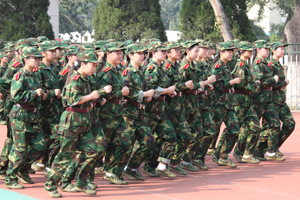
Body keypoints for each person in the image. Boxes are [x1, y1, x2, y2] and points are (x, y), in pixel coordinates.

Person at [44, 51, 110, 198]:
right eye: (92, 65)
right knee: (65, 155)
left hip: (84, 122)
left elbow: (88, 99)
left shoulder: (85, 79)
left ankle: (81, 182)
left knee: (93, 151)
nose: (94, 68)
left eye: (95, 65)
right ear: (82, 64)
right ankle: (51, 184)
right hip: (72, 122)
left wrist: (95, 99)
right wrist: (94, 95)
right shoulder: (75, 79)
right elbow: (72, 100)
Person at [5, 47, 47, 189]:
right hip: (20, 116)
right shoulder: (20, 76)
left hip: (32, 116)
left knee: (40, 146)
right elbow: (15, 96)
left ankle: (23, 170)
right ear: (26, 60)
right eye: (35, 58)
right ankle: (10, 178)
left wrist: (42, 96)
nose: (38, 61)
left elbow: (36, 94)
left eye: (38, 58)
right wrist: (34, 94)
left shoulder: (34, 75)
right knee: (19, 149)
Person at [141, 41, 178, 178]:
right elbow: (150, 89)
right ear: (153, 53)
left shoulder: (160, 68)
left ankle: (160, 166)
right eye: (162, 51)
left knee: (170, 137)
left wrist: (168, 92)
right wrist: (167, 90)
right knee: (145, 141)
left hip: (161, 109)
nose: (165, 53)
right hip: (151, 110)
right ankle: (130, 166)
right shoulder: (152, 68)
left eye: (165, 51)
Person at [97, 42, 131, 185]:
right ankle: (78, 172)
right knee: (100, 148)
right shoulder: (105, 73)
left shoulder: (117, 71)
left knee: (125, 143)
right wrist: (120, 93)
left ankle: (111, 171)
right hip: (106, 115)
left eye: (121, 52)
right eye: (117, 53)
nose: (120, 55)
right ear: (108, 54)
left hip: (117, 114)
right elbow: (100, 95)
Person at [121, 43, 156, 181]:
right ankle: (114, 171)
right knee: (126, 145)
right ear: (130, 55)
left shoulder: (141, 71)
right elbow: (126, 93)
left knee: (149, 141)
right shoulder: (127, 72)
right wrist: (144, 94)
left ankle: (131, 167)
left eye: (143, 54)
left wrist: (146, 97)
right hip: (129, 113)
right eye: (139, 53)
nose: (143, 56)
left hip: (140, 112)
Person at [179, 41, 213, 172]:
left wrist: (205, 85)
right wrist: (203, 84)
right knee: (185, 135)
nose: (198, 52)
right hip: (185, 104)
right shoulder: (185, 66)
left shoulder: (195, 65)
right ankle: (177, 160)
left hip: (196, 104)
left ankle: (189, 159)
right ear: (187, 51)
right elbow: (184, 86)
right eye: (196, 50)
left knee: (201, 132)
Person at [258, 41, 295, 158]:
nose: (283, 51)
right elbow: (268, 83)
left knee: (290, 124)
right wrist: (284, 83)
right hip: (272, 100)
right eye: (280, 49)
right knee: (268, 128)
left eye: (284, 49)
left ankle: (273, 148)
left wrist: (282, 84)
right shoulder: (270, 65)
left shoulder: (278, 64)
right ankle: (258, 150)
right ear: (274, 51)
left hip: (281, 101)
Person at [162, 41, 194, 175]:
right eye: (176, 50)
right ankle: (161, 166)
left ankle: (174, 163)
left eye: (180, 50)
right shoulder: (166, 68)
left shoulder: (176, 66)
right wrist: (184, 85)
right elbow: (168, 87)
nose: (179, 52)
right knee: (168, 138)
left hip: (178, 107)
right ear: (168, 53)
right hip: (169, 108)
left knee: (186, 135)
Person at [250, 40, 283, 161]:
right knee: (253, 128)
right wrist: (273, 80)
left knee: (275, 124)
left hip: (268, 99)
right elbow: (260, 81)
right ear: (258, 50)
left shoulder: (264, 63)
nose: (268, 51)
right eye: (265, 49)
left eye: (268, 49)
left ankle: (270, 152)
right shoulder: (257, 64)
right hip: (259, 99)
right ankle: (245, 151)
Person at [210, 42, 241, 168]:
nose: (231, 54)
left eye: (232, 51)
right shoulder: (217, 67)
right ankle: (191, 158)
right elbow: (216, 86)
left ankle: (222, 155)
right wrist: (232, 82)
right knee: (211, 131)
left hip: (228, 104)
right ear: (221, 52)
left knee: (234, 129)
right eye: (228, 51)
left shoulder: (227, 66)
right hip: (218, 103)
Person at [231, 41, 261, 164]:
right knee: (235, 129)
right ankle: (220, 153)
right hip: (240, 102)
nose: (250, 52)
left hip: (247, 102)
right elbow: (242, 84)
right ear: (242, 52)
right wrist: (256, 86)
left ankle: (245, 153)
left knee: (255, 127)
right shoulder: (241, 65)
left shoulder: (246, 65)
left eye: (251, 50)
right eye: (248, 50)